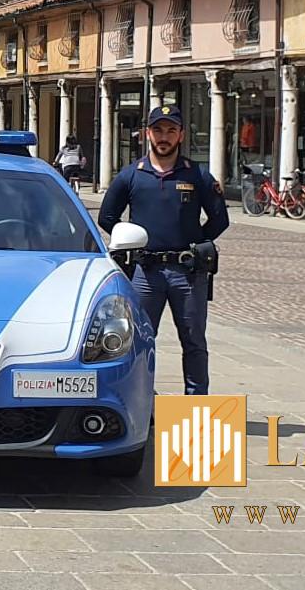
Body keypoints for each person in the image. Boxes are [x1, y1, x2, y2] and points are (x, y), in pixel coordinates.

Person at [96, 104, 229, 396]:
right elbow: (106, 217)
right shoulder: (132, 175)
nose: (164, 137)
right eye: (158, 130)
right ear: (147, 134)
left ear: (181, 135)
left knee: (194, 341)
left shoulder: (197, 176)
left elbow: (220, 218)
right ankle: (139, 399)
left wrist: (195, 242)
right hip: (146, 272)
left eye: (170, 130)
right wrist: (130, 241)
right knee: (139, 339)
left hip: (187, 272)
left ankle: (196, 403)